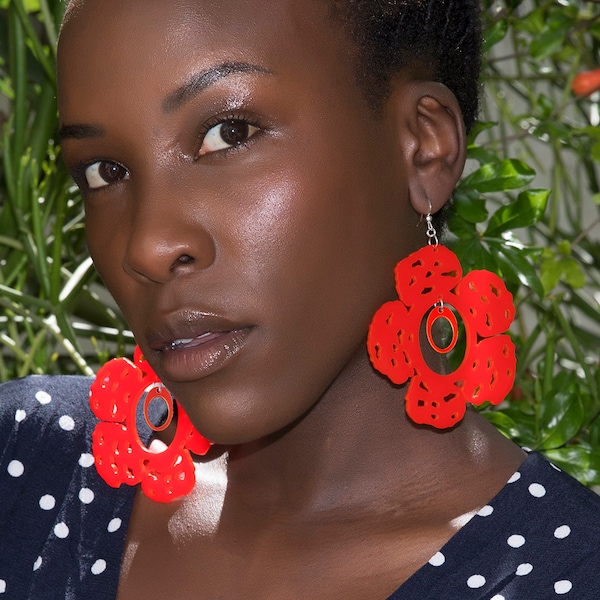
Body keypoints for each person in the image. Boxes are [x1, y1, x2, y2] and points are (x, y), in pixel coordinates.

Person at [1, 0, 599, 598]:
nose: (149, 245)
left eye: (228, 134)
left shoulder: (566, 575)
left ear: (423, 145)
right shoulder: (24, 465)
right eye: (104, 171)